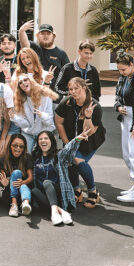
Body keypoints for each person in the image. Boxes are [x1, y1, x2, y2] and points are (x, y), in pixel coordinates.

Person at [55, 77, 105, 208]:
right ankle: (77, 190)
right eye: (71, 89)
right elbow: (58, 122)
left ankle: (93, 191)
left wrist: (88, 116)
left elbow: (91, 132)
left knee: (77, 160)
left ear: (84, 88)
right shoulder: (66, 102)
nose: (73, 92)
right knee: (70, 160)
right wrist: (67, 143)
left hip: (90, 141)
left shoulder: (94, 106)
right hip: (72, 139)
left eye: (76, 88)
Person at [31, 130, 89, 225]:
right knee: (34, 190)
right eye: (40, 139)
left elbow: (68, 150)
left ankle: (54, 212)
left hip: (59, 193)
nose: (43, 140)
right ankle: (62, 212)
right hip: (45, 197)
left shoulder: (58, 156)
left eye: (46, 138)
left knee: (47, 182)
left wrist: (77, 139)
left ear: (52, 141)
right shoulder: (35, 158)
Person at [114, 53, 134, 203]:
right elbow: (117, 97)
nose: (121, 72)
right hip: (125, 117)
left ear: (132, 64)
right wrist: (118, 106)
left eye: (123, 69)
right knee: (126, 154)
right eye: (119, 69)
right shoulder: (123, 78)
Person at [11, 74, 57, 151]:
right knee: (26, 156)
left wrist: (42, 115)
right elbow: (25, 124)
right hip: (29, 134)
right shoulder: (20, 100)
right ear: (19, 87)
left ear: (31, 81)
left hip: (44, 133)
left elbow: (49, 122)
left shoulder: (45, 96)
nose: (23, 83)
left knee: (45, 156)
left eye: (25, 80)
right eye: (20, 82)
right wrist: (14, 118)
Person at [18, 21, 69, 88]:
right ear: (37, 36)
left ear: (53, 36)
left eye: (48, 34)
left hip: (55, 94)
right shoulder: (34, 48)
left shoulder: (61, 53)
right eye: (42, 34)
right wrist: (21, 31)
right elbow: (24, 45)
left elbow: (67, 74)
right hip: (35, 92)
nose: (45, 36)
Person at [0, 133, 33, 217]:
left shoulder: (27, 157)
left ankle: (21, 204)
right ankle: (16, 204)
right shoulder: (3, 159)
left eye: (21, 146)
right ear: (10, 145)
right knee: (16, 173)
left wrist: (23, 182)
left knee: (22, 184)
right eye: (15, 145)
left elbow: (31, 177)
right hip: (10, 193)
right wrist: (4, 183)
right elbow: (2, 179)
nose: (18, 148)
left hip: (24, 192)